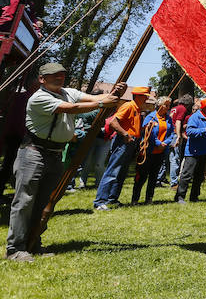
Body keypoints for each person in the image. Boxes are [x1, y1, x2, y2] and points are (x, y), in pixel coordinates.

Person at [6, 63, 125, 261]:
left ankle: (33, 243)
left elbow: (96, 98)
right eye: (53, 75)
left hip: (54, 154)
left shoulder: (68, 91)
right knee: (24, 201)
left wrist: (114, 93)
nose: (59, 78)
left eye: (62, 75)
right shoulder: (39, 97)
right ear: (42, 79)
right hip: (34, 153)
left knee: (43, 201)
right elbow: (73, 108)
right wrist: (104, 104)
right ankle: (15, 248)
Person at [94, 86, 150, 210]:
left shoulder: (136, 108)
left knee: (121, 172)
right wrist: (125, 134)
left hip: (130, 142)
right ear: (139, 96)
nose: (147, 99)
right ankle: (100, 201)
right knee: (113, 171)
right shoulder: (129, 106)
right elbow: (113, 122)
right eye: (145, 96)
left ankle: (112, 199)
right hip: (123, 141)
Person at [131, 97, 173, 204]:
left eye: (169, 105)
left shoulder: (168, 118)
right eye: (166, 105)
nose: (169, 107)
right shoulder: (151, 117)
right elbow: (148, 133)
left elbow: (171, 133)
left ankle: (149, 198)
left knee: (154, 177)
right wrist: (159, 143)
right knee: (141, 177)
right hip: (148, 152)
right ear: (160, 105)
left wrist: (165, 143)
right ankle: (135, 199)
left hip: (160, 152)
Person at [174, 97, 206, 204]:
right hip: (193, 151)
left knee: (199, 176)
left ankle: (194, 196)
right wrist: (205, 130)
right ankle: (180, 196)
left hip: (204, 151)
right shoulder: (195, 117)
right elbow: (190, 131)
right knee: (187, 175)